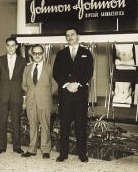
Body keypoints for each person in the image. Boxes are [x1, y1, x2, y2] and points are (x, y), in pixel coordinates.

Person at [53, 28, 93, 162]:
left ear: (78, 36)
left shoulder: (86, 53)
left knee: (81, 125)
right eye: (67, 35)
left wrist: (77, 84)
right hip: (65, 94)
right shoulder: (60, 54)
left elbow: (89, 72)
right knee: (64, 125)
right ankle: (63, 154)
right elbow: (56, 72)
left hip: (80, 94)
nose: (69, 37)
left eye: (72, 34)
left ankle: (82, 154)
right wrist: (66, 84)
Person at [0, 37, 26, 155]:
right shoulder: (0, 60)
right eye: (8, 45)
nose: (11, 48)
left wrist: (24, 96)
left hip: (17, 95)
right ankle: (1, 147)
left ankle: (17, 146)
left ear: (17, 46)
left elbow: (24, 79)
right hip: (2, 95)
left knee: (16, 121)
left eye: (13, 45)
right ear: (6, 46)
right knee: (2, 121)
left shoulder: (22, 61)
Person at [21, 44, 53, 159]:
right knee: (32, 125)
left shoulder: (49, 68)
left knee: (45, 125)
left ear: (43, 54)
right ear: (32, 54)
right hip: (31, 101)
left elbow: (53, 85)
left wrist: (44, 93)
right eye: (35, 53)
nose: (37, 55)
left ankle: (45, 150)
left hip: (44, 101)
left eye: (39, 53)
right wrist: (32, 93)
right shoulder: (27, 68)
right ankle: (32, 149)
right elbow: (24, 85)